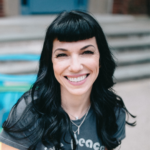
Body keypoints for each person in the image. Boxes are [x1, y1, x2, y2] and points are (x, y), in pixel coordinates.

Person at [0, 10, 135, 150]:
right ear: (51, 62)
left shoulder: (112, 112)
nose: (76, 67)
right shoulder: (30, 110)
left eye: (87, 52)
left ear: (100, 59)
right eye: (62, 54)